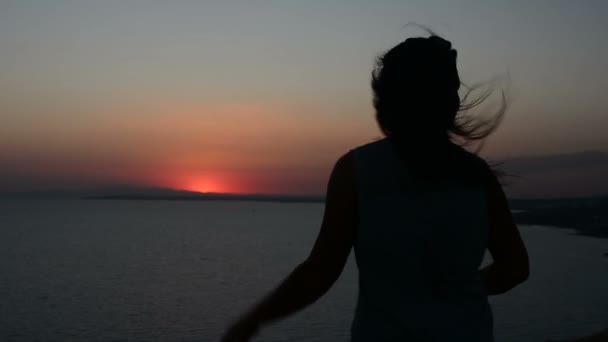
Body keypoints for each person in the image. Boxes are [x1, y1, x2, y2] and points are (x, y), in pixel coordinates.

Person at [222, 34, 529, 342]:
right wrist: (461, 287)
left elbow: (320, 271)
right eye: (451, 88)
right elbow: (513, 268)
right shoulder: (476, 175)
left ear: (390, 99)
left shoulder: (357, 171)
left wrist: (253, 320)